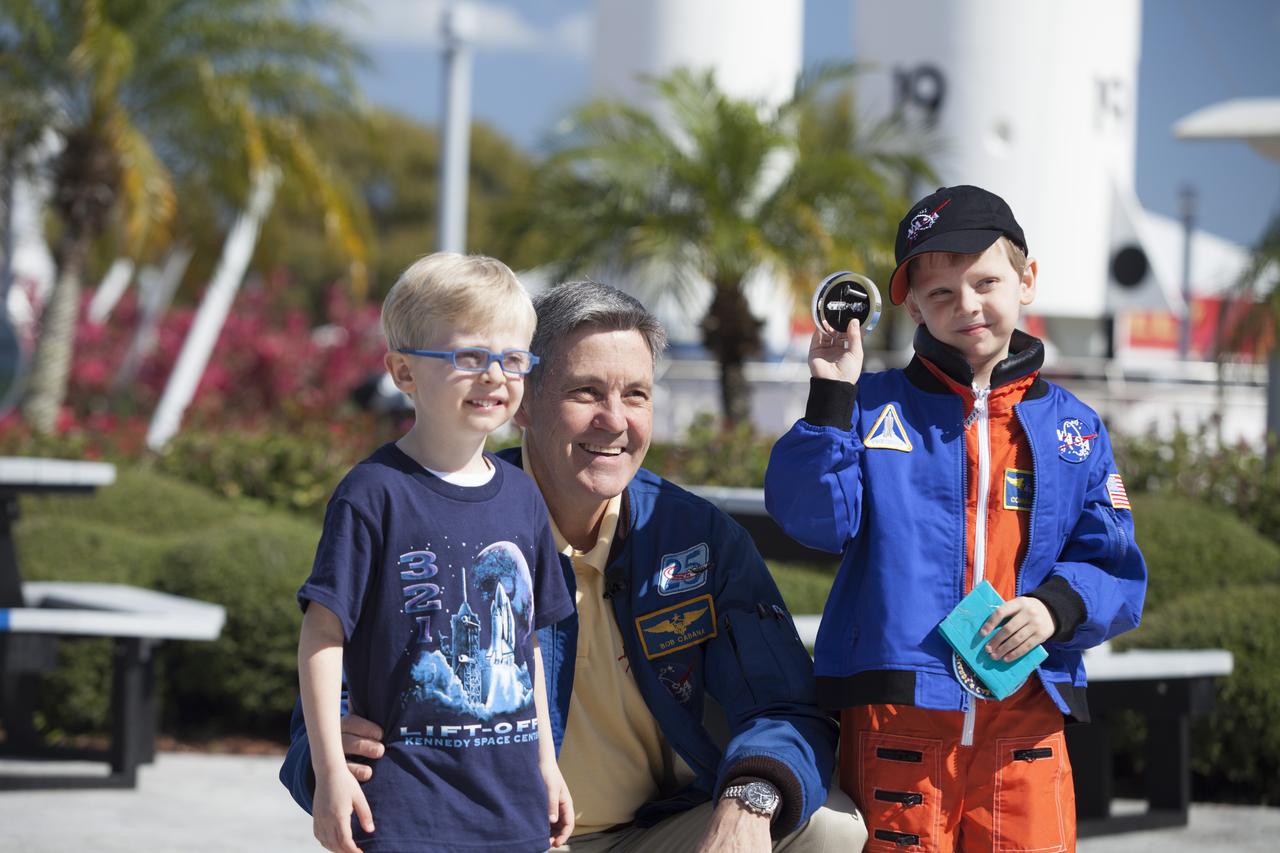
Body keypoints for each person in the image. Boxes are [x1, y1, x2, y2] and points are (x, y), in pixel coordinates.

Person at [283, 281, 868, 853]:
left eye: (635, 394)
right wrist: (329, 750)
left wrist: (750, 801)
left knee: (828, 830)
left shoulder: (697, 538)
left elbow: (784, 704)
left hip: (657, 829)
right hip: (504, 832)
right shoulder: (441, 515)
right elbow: (329, 679)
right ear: (525, 400)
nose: (614, 420)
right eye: (586, 392)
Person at [764, 185, 1148, 852]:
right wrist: (831, 393)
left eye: (986, 281)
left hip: (1025, 721)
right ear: (911, 305)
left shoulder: (1074, 429)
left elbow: (1115, 562)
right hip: (895, 720)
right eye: (941, 293)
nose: (966, 304)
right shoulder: (868, 404)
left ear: (1027, 279)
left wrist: (1055, 607)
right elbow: (814, 518)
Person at [295, 253, 576, 853]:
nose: (495, 376)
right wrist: (328, 771)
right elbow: (323, 636)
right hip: (404, 812)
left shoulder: (525, 496)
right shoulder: (373, 494)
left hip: (512, 813)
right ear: (403, 372)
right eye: (470, 357)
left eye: (513, 359)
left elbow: (528, 647)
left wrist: (547, 765)